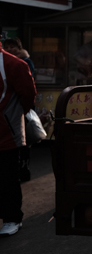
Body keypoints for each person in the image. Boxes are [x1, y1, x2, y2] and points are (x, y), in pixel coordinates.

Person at [0, 41, 37, 236]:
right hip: (8, 128)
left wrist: (14, 116)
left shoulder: (14, 64)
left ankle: (12, 218)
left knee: (8, 177)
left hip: (7, 133)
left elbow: (28, 96)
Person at [3, 38, 36, 183]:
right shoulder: (15, 63)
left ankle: (24, 169)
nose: (10, 49)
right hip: (9, 131)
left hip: (8, 132)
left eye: (13, 46)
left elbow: (28, 94)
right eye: (7, 46)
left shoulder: (20, 63)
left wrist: (18, 114)